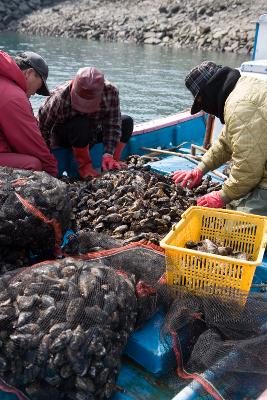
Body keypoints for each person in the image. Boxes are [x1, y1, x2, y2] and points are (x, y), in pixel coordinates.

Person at [173, 60, 267, 216]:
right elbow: (225, 142)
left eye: (202, 103)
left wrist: (222, 196)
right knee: (232, 202)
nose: (207, 109)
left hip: (259, 174)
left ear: (208, 93)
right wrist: (200, 169)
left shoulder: (240, 106)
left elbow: (248, 169)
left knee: (237, 228)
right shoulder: (242, 87)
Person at [38, 67, 134, 179]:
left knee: (126, 122)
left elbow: (112, 124)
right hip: (65, 136)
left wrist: (108, 154)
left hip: (92, 132)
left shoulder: (111, 91)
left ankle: (112, 162)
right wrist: (47, 157)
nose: (84, 109)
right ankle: (84, 167)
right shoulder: (59, 97)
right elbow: (43, 128)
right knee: (81, 123)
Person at [0, 51, 58, 176]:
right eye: (39, 87)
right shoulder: (14, 97)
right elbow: (31, 144)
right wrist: (53, 173)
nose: (35, 93)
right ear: (30, 73)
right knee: (33, 164)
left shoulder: (4, 82)